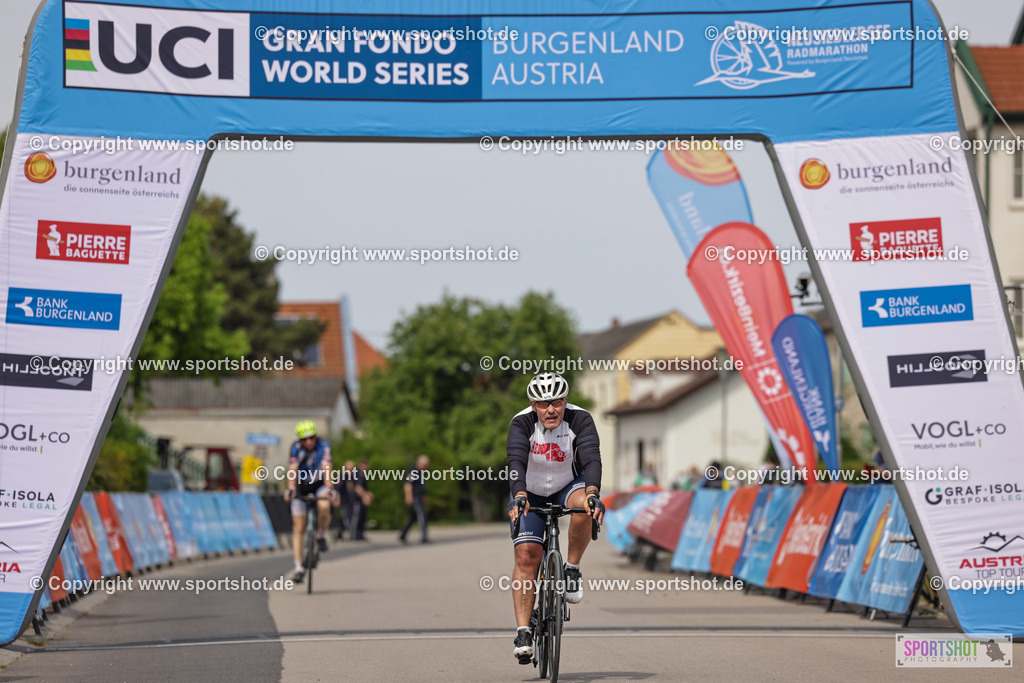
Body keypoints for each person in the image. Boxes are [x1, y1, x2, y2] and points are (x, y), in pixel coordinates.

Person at [506, 372, 605, 664]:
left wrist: (593, 493)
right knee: (526, 557)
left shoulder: (580, 419)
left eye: (557, 402)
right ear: (534, 405)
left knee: (586, 506)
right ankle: (524, 631)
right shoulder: (521, 423)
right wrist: (519, 494)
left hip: (567, 486)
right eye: (543, 403)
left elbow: (591, 457)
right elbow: (515, 461)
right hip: (531, 490)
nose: (551, 409)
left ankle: (572, 569)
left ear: (565, 401)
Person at [285, 420, 336, 583]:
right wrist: (291, 488)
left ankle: (320, 534)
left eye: (312, 438)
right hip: (301, 486)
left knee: (324, 505)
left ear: (316, 436)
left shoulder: (324, 445)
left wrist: (329, 487)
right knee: (299, 527)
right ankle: (298, 566)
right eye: (305, 439)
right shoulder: (295, 448)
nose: (309, 442)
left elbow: (327, 466)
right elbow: (292, 470)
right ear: (300, 440)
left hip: (319, 483)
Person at [399, 454, 430, 544]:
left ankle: (403, 534)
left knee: (413, 518)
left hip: (419, 497)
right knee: (422, 515)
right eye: (425, 464)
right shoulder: (414, 472)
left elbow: (420, 486)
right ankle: (424, 537)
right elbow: (408, 484)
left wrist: (423, 496)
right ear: (420, 463)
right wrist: (408, 496)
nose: (426, 466)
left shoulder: (421, 472)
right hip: (415, 497)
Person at [352, 456, 373, 540]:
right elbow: (358, 487)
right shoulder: (359, 473)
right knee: (357, 518)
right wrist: (364, 497)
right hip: (357, 499)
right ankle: (354, 535)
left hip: (360, 498)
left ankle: (360, 534)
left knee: (362, 517)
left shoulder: (361, 473)